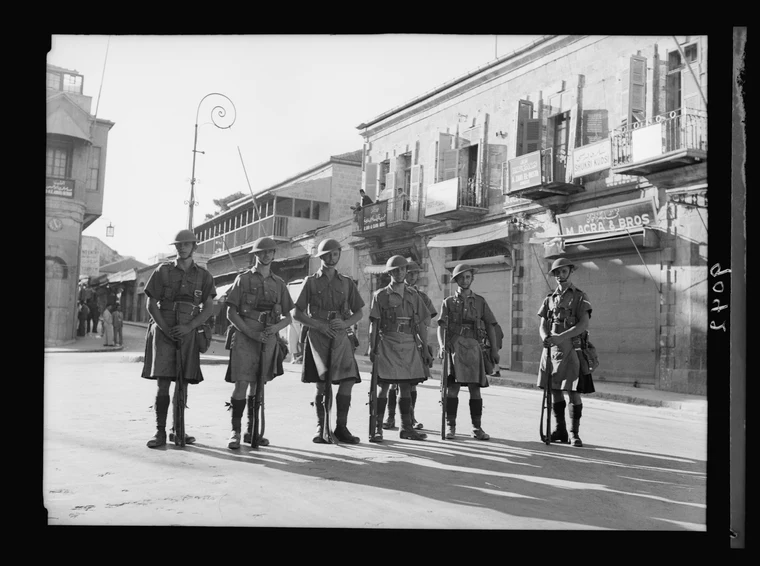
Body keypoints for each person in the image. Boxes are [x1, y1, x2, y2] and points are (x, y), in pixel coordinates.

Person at [141, 229, 216, 448]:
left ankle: (179, 430)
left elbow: (209, 307)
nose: (182, 248)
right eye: (178, 245)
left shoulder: (203, 276)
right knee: (163, 384)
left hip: (188, 333)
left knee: (182, 384)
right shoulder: (163, 271)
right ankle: (160, 432)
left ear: (194, 246)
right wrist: (164, 329)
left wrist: (190, 326)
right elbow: (150, 304)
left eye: (186, 244)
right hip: (164, 331)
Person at [292, 238, 365, 444]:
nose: (332, 258)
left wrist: (346, 323)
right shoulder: (311, 282)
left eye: (335, 254)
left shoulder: (347, 283)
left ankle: (341, 427)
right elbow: (296, 313)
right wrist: (318, 325)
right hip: (319, 336)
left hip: (341, 337)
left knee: (348, 380)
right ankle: (321, 427)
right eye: (327, 255)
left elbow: (359, 311)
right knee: (322, 384)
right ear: (321, 257)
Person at [224, 237, 294, 449]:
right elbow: (230, 312)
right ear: (255, 254)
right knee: (241, 384)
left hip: (267, 337)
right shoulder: (243, 279)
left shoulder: (279, 284)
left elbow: (288, 318)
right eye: (262, 252)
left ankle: (251, 431)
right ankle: (235, 431)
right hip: (245, 336)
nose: (266, 255)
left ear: (274, 254)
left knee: (258, 386)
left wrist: (275, 329)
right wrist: (249, 333)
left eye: (270, 252)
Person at [368, 256, 432, 442]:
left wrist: (426, 348)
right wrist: (372, 348)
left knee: (406, 386)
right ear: (389, 273)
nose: (399, 273)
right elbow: (374, 324)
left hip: (409, 343)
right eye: (395, 270)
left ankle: (406, 428)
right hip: (387, 342)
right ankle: (377, 428)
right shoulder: (380, 295)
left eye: (402, 269)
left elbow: (421, 324)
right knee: (384, 386)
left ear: (406, 271)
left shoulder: (414, 295)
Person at [438, 263, 498, 441]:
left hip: (474, 348)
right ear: (456, 280)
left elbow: (490, 325)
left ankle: (477, 427)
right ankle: (451, 427)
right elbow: (442, 326)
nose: (465, 280)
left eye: (468, 277)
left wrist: (494, 349)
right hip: (454, 348)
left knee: (475, 390)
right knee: (453, 390)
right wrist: (442, 346)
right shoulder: (448, 302)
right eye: (461, 277)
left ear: (472, 278)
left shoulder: (480, 302)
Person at [537, 257, 593, 447]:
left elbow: (584, 324)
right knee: (554, 390)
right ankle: (560, 429)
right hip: (551, 349)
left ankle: (573, 433)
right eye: (556, 273)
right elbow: (543, 324)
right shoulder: (549, 299)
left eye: (563, 271)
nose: (560, 276)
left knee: (572, 390)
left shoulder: (579, 296)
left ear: (570, 272)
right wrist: (545, 336)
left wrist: (561, 337)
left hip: (571, 347)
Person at [383, 261, 435, 431]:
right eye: (409, 273)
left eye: (414, 274)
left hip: (414, 340)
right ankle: (390, 417)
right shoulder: (389, 294)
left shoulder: (420, 297)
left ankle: (410, 417)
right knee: (392, 382)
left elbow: (426, 320)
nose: (412, 276)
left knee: (410, 382)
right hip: (394, 340)